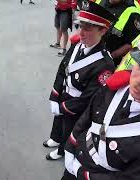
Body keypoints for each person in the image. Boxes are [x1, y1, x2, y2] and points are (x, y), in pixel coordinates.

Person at [62, 14, 140, 180]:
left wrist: (84, 175)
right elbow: (87, 116)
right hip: (79, 155)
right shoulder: (115, 87)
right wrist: (70, 144)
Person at [43, 1, 116, 161]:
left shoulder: (105, 64)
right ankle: (55, 138)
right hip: (65, 94)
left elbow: (89, 99)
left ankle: (62, 150)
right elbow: (63, 68)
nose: (81, 32)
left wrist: (62, 107)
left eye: (88, 29)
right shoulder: (78, 43)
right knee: (58, 122)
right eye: (80, 26)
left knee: (69, 129)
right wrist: (55, 95)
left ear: (103, 30)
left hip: (77, 107)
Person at [95, 0, 140, 66]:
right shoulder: (99, 1)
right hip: (89, 49)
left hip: (108, 61)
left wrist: (109, 57)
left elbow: (131, 44)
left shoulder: (132, 11)